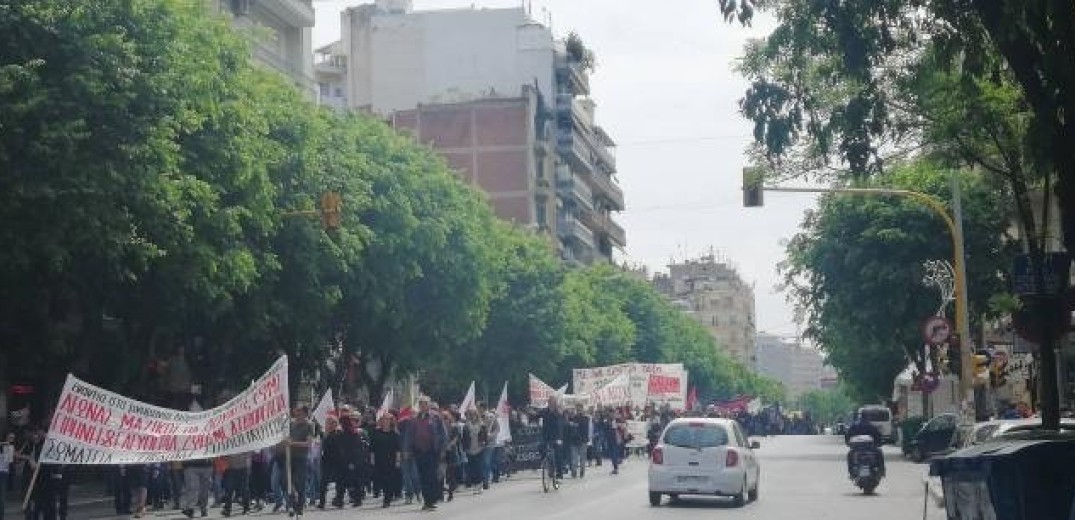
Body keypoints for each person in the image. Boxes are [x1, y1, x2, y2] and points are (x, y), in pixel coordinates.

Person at [400, 396, 447, 511]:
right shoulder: (414, 419)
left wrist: (442, 449)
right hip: (419, 451)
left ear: (429, 404)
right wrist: (406, 450)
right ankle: (427, 501)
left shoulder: (435, 417)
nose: (422, 405)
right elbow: (409, 436)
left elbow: (443, 434)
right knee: (422, 476)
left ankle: (432, 499)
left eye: (425, 403)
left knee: (432, 475)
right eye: (420, 403)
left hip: (432, 451)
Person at [287, 406, 315, 518]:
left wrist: (292, 443)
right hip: (290, 456)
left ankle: (300, 507)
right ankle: (292, 504)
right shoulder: (291, 424)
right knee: (288, 481)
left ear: (304, 413)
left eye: (299, 411)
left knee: (301, 482)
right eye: (295, 410)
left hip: (302, 457)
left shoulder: (309, 425)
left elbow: (308, 443)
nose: (296, 412)